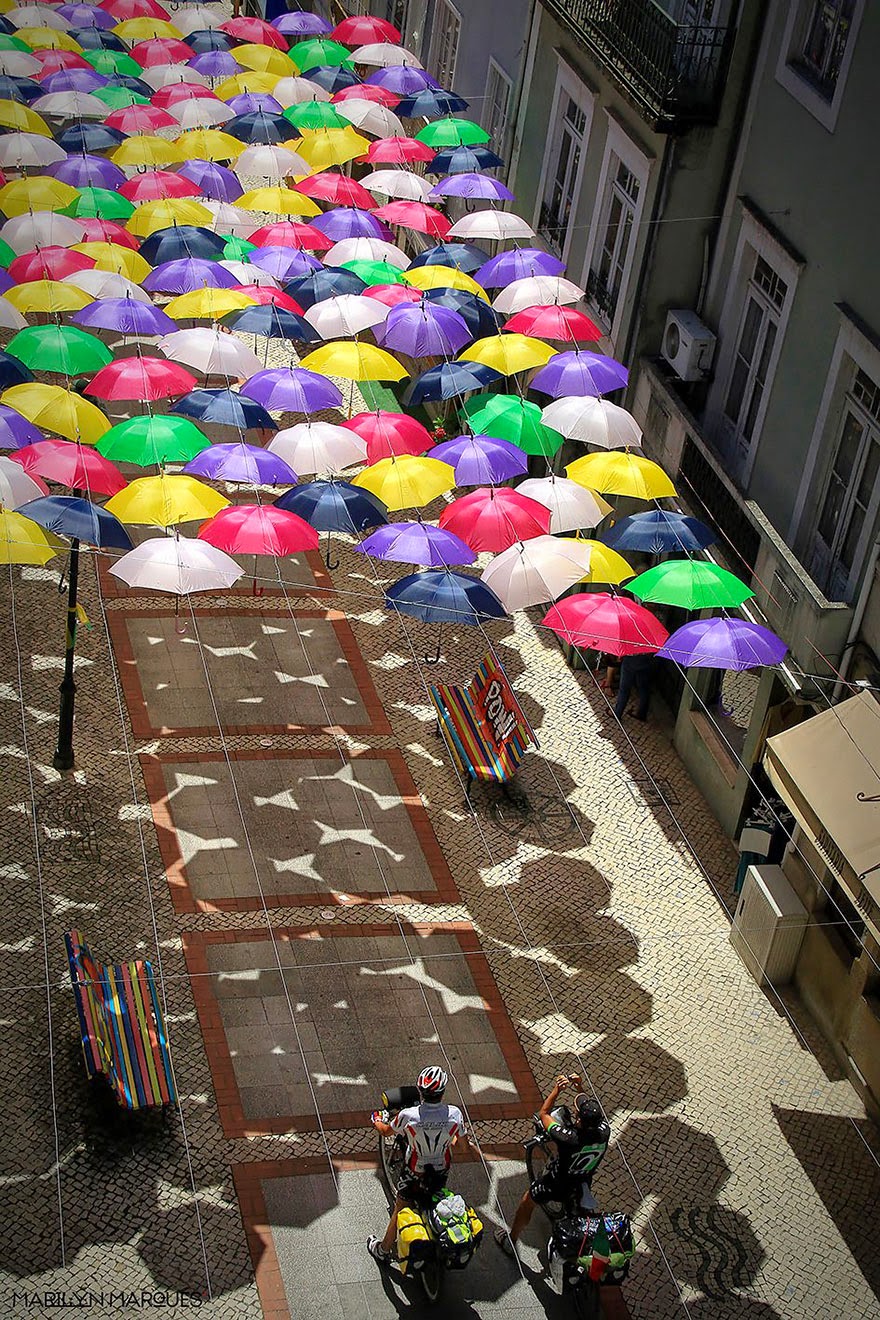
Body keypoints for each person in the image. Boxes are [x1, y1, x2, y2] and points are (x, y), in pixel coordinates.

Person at [367, 1065, 476, 1266]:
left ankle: (382, 1249)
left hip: (414, 1171)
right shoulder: (454, 1114)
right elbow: (463, 1147)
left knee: (400, 1207)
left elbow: (386, 1132)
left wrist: (376, 1120)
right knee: (435, 1194)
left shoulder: (409, 1115)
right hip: (441, 1168)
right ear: (442, 1092)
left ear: (421, 1091)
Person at [495, 1074, 610, 1257]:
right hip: (584, 1181)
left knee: (528, 1200)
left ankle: (511, 1239)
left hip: (558, 1183)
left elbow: (544, 1114)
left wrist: (557, 1090)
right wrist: (579, 1087)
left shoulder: (568, 1138)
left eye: (577, 1114)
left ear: (578, 1120)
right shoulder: (604, 1131)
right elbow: (589, 1110)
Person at [614, 651, 655, 721]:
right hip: (646, 658)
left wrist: (620, 655)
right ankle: (642, 714)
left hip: (631, 658)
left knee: (624, 688)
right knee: (644, 688)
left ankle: (618, 713)